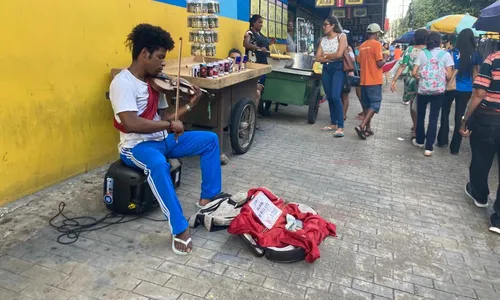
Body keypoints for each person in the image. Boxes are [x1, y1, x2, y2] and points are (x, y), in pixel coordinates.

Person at [109, 24, 223, 255]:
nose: (163, 64)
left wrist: (191, 103)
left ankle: (208, 197)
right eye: (160, 57)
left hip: (162, 140)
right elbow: (132, 123)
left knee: (209, 140)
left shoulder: (154, 83)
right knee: (158, 164)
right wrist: (170, 126)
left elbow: (164, 117)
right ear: (144, 54)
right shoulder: (123, 83)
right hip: (137, 146)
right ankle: (179, 228)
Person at [459, 50, 500, 233]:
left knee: (481, 158)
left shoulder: (493, 59)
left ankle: (480, 195)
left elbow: (480, 92)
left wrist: (466, 118)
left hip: (488, 118)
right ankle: (498, 220)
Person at [437, 28, 481, 154]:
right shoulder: (475, 55)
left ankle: (442, 140)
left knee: (445, 113)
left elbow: (447, 71)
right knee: (459, 116)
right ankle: (455, 147)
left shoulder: (452, 52)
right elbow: (475, 75)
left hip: (450, 87)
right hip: (466, 90)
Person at [412, 32, 454, 156]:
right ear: (440, 42)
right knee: (434, 118)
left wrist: (421, 79)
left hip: (423, 90)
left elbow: (414, 72)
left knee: (421, 115)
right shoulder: (446, 55)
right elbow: (450, 75)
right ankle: (428, 148)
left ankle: (419, 141)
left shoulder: (422, 53)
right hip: (439, 91)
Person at [391, 29, 429, 141]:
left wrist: (394, 79)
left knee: (413, 104)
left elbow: (403, 65)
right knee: (421, 105)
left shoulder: (410, 50)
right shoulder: (428, 51)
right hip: (424, 81)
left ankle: (415, 126)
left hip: (410, 81)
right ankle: (417, 127)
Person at [315, 16, 348, 137]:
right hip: (327, 69)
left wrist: (326, 55)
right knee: (329, 96)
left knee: (335, 96)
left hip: (338, 68)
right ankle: (333, 123)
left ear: (333, 25)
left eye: (326, 24)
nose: (324, 27)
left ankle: (341, 126)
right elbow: (317, 57)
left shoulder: (341, 36)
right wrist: (328, 56)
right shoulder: (323, 40)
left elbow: (340, 54)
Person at [354, 23, 385, 140]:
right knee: (375, 103)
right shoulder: (377, 45)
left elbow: (360, 62)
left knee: (366, 105)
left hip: (363, 80)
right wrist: (386, 60)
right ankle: (362, 126)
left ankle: (368, 128)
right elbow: (379, 63)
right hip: (374, 80)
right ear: (376, 34)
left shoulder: (362, 46)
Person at [244, 14, 276, 115]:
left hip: (262, 63)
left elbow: (263, 45)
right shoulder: (249, 33)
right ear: (253, 23)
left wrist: (269, 43)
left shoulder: (260, 34)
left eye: (262, 22)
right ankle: (251, 113)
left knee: (261, 88)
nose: (261, 24)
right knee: (256, 88)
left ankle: (257, 111)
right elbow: (246, 44)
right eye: (259, 22)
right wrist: (258, 48)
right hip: (254, 64)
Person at [228, 48, 264, 126]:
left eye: (237, 58)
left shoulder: (243, 69)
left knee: (256, 93)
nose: (234, 60)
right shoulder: (226, 68)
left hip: (241, 92)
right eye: (232, 58)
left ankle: (250, 121)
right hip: (229, 93)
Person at [341, 32, 358, 121]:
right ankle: (341, 113)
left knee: (345, 95)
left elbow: (353, 59)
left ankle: (343, 115)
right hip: (341, 73)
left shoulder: (349, 48)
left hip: (347, 73)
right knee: (340, 95)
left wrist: (347, 51)